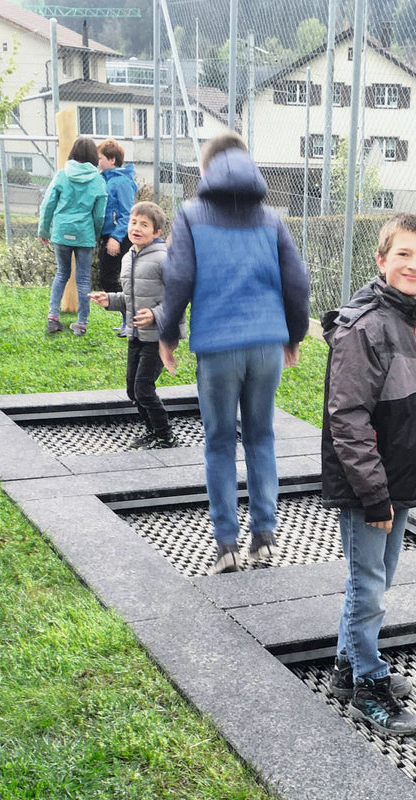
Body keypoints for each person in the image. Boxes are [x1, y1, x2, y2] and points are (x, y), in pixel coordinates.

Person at [155, 131, 310, 575]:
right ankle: (265, 536)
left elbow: (179, 277)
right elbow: (297, 283)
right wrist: (293, 335)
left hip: (217, 350)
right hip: (266, 346)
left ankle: (227, 546)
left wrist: (168, 333)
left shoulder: (190, 214)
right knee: (261, 437)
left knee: (220, 442)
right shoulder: (272, 219)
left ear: (205, 170)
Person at [319, 213, 416, 737]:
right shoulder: (364, 327)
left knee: (379, 579)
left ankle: (348, 670)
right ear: (381, 259)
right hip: (369, 483)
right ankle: (368, 683)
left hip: (399, 477)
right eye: (404, 255)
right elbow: (347, 418)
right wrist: (375, 496)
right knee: (367, 584)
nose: (415, 265)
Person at [90, 201, 175, 449]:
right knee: (132, 389)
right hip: (135, 333)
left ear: (157, 232)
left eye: (144, 225)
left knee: (144, 388)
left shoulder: (163, 260)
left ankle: (166, 435)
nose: (136, 228)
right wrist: (110, 300)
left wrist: (155, 314)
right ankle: (152, 431)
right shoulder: (129, 257)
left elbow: (178, 299)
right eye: (133, 222)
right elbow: (131, 298)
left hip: (158, 335)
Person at [38, 135, 107, 336]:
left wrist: (44, 230)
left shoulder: (61, 175)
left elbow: (48, 204)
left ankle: (52, 317)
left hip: (61, 231)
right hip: (84, 234)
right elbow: (99, 214)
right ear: (94, 156)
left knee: (62, 273)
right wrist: (95, 234)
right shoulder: (98, 180)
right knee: (83, 278)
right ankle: (82, 323)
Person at [95, 139, 138, 337]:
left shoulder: (120, 182)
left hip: (118, 239)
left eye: (100, 157)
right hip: (108, 235)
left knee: (111, 278)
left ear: (112, 160)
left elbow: (127, 214)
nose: (97, 161)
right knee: (110, 278)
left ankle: (130, 321)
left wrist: (116, 237)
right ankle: (127, 320)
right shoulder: (106, 179)